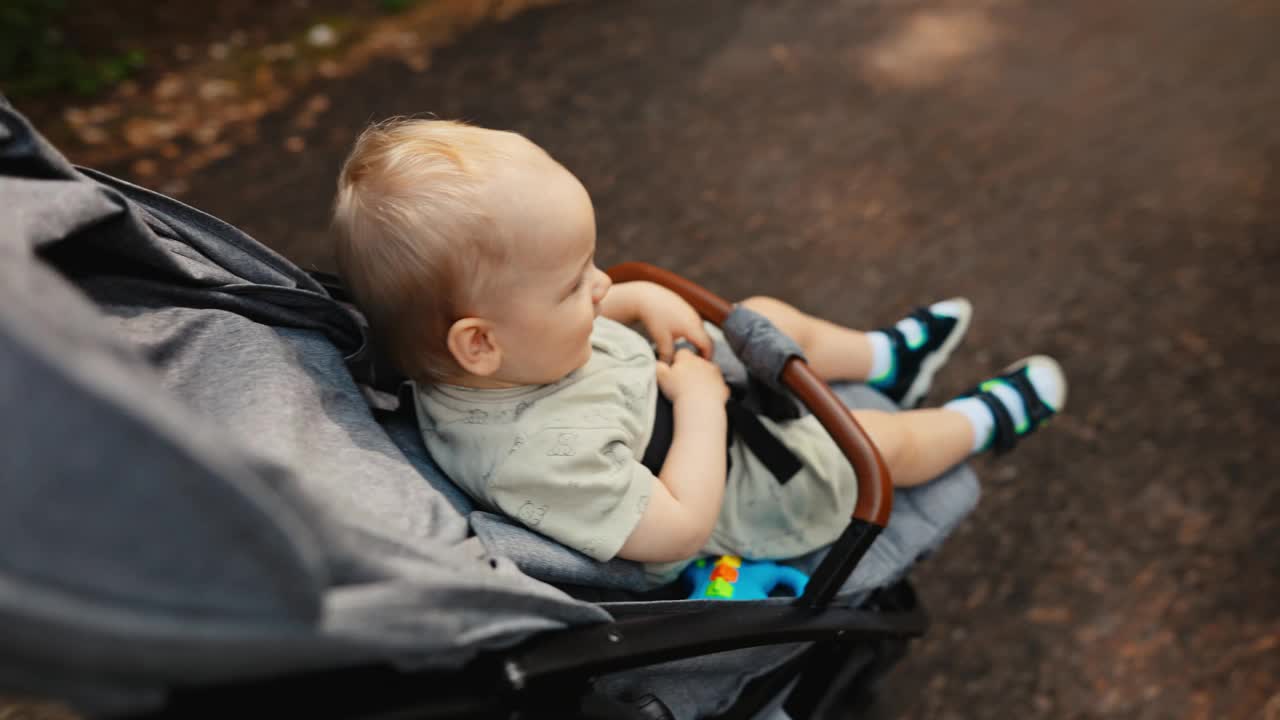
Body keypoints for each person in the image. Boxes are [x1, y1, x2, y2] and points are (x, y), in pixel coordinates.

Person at [331, 118, 1067, 583]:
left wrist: (637, 299)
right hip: (737, 475)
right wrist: (701, 403)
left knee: (767, 319)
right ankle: (984, 420)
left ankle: (886, 361)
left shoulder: (494, 352)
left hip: (668, 384)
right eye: (573, 284)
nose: (599, 285)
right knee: (878, 443)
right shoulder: (536, 459)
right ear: (480, 342)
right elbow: (677, 525)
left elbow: (580, 312)